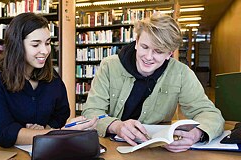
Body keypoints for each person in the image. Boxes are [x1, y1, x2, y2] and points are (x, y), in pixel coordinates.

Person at [82, 13, 224, 152]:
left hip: (157, 150)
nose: (148, 57)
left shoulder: (181, 73)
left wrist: (197, 134)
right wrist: (116, 126)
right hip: (111, 146)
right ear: (137, 42)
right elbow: (91, 112)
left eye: (158, 51)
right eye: (144, 47)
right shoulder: (109, 66)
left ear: (170, 53)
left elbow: (210, 114)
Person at [0, 13, 96, 148]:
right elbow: (3, 132)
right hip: (7, 153)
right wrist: (55, 134)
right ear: (17, 45)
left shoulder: (52, 77)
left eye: (47, 43)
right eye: (35, 45)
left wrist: (45, 129)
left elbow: (62, 113)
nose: (45, 51)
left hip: (44, 150)